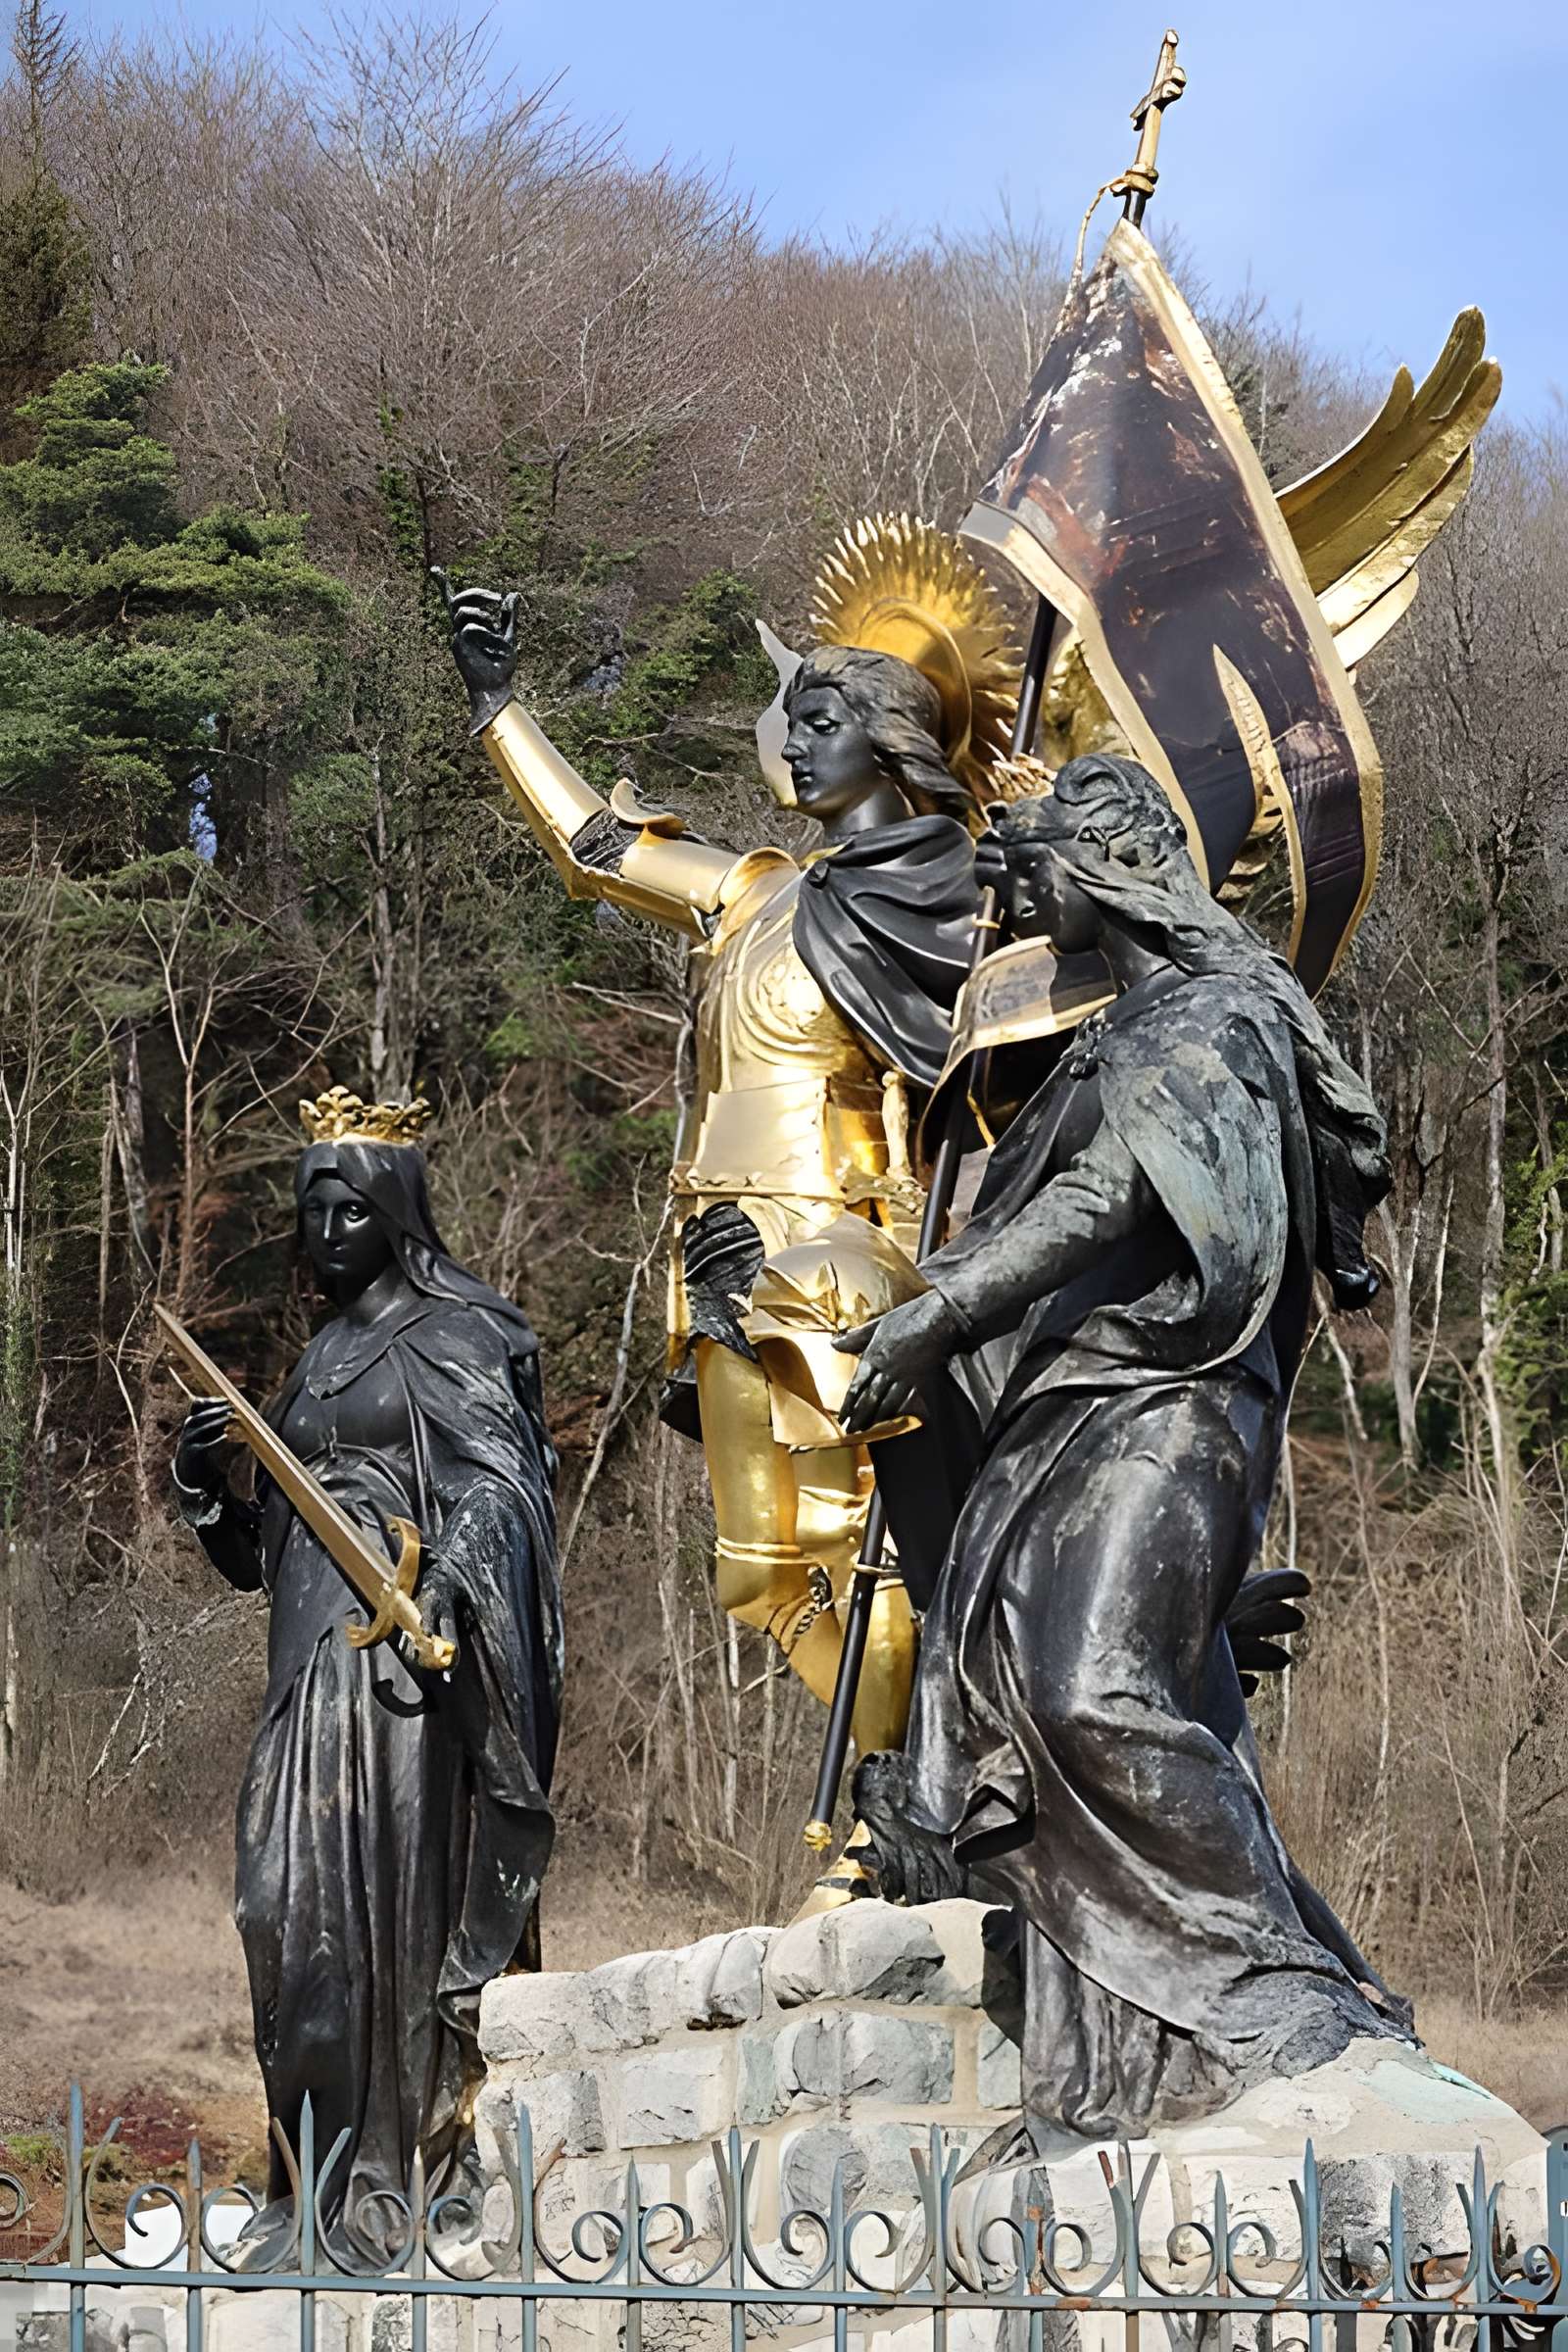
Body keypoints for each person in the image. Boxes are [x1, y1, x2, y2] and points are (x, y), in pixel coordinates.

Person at [837, 756, 1409, 2136]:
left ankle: (1285, 2000)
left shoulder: (1211, 1015)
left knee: (1093, 1698)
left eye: (1024, 857)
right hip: (1080, 1413)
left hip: (1168, 1400)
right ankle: (1128, 2072)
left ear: (1101, 864)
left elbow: (1108, 1197)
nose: (1007, 890)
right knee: (1043, 1707)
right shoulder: (1133, 1024)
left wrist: (938, 1315)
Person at [437, 517, 1018, 1773]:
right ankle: (896, 1777)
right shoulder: (756, 887)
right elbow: (599, 850)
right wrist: (499, 709)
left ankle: (918, 1806)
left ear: (891, 739)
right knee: (760, 1576)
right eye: (791, 721)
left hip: (850, 1244)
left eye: (817, 721)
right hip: (715, 1249)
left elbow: (1002, 1073)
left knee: (883, 1536)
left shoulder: (959, 896)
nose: (789, 744)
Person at [172, 1090, 561, 2262]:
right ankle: (314, 2178)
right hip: (304, 1682)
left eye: (347, 1209)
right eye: (310, 1212)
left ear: (397, 1214)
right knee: (280, 1910)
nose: (325, 1232)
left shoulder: (462, 1334)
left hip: (397, 1679)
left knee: (387, 1913)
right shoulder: (312, 1367)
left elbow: (507, 1490)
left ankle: (405, 2171)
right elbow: (257, 1559)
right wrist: (206, 1493)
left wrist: (452, 1579)